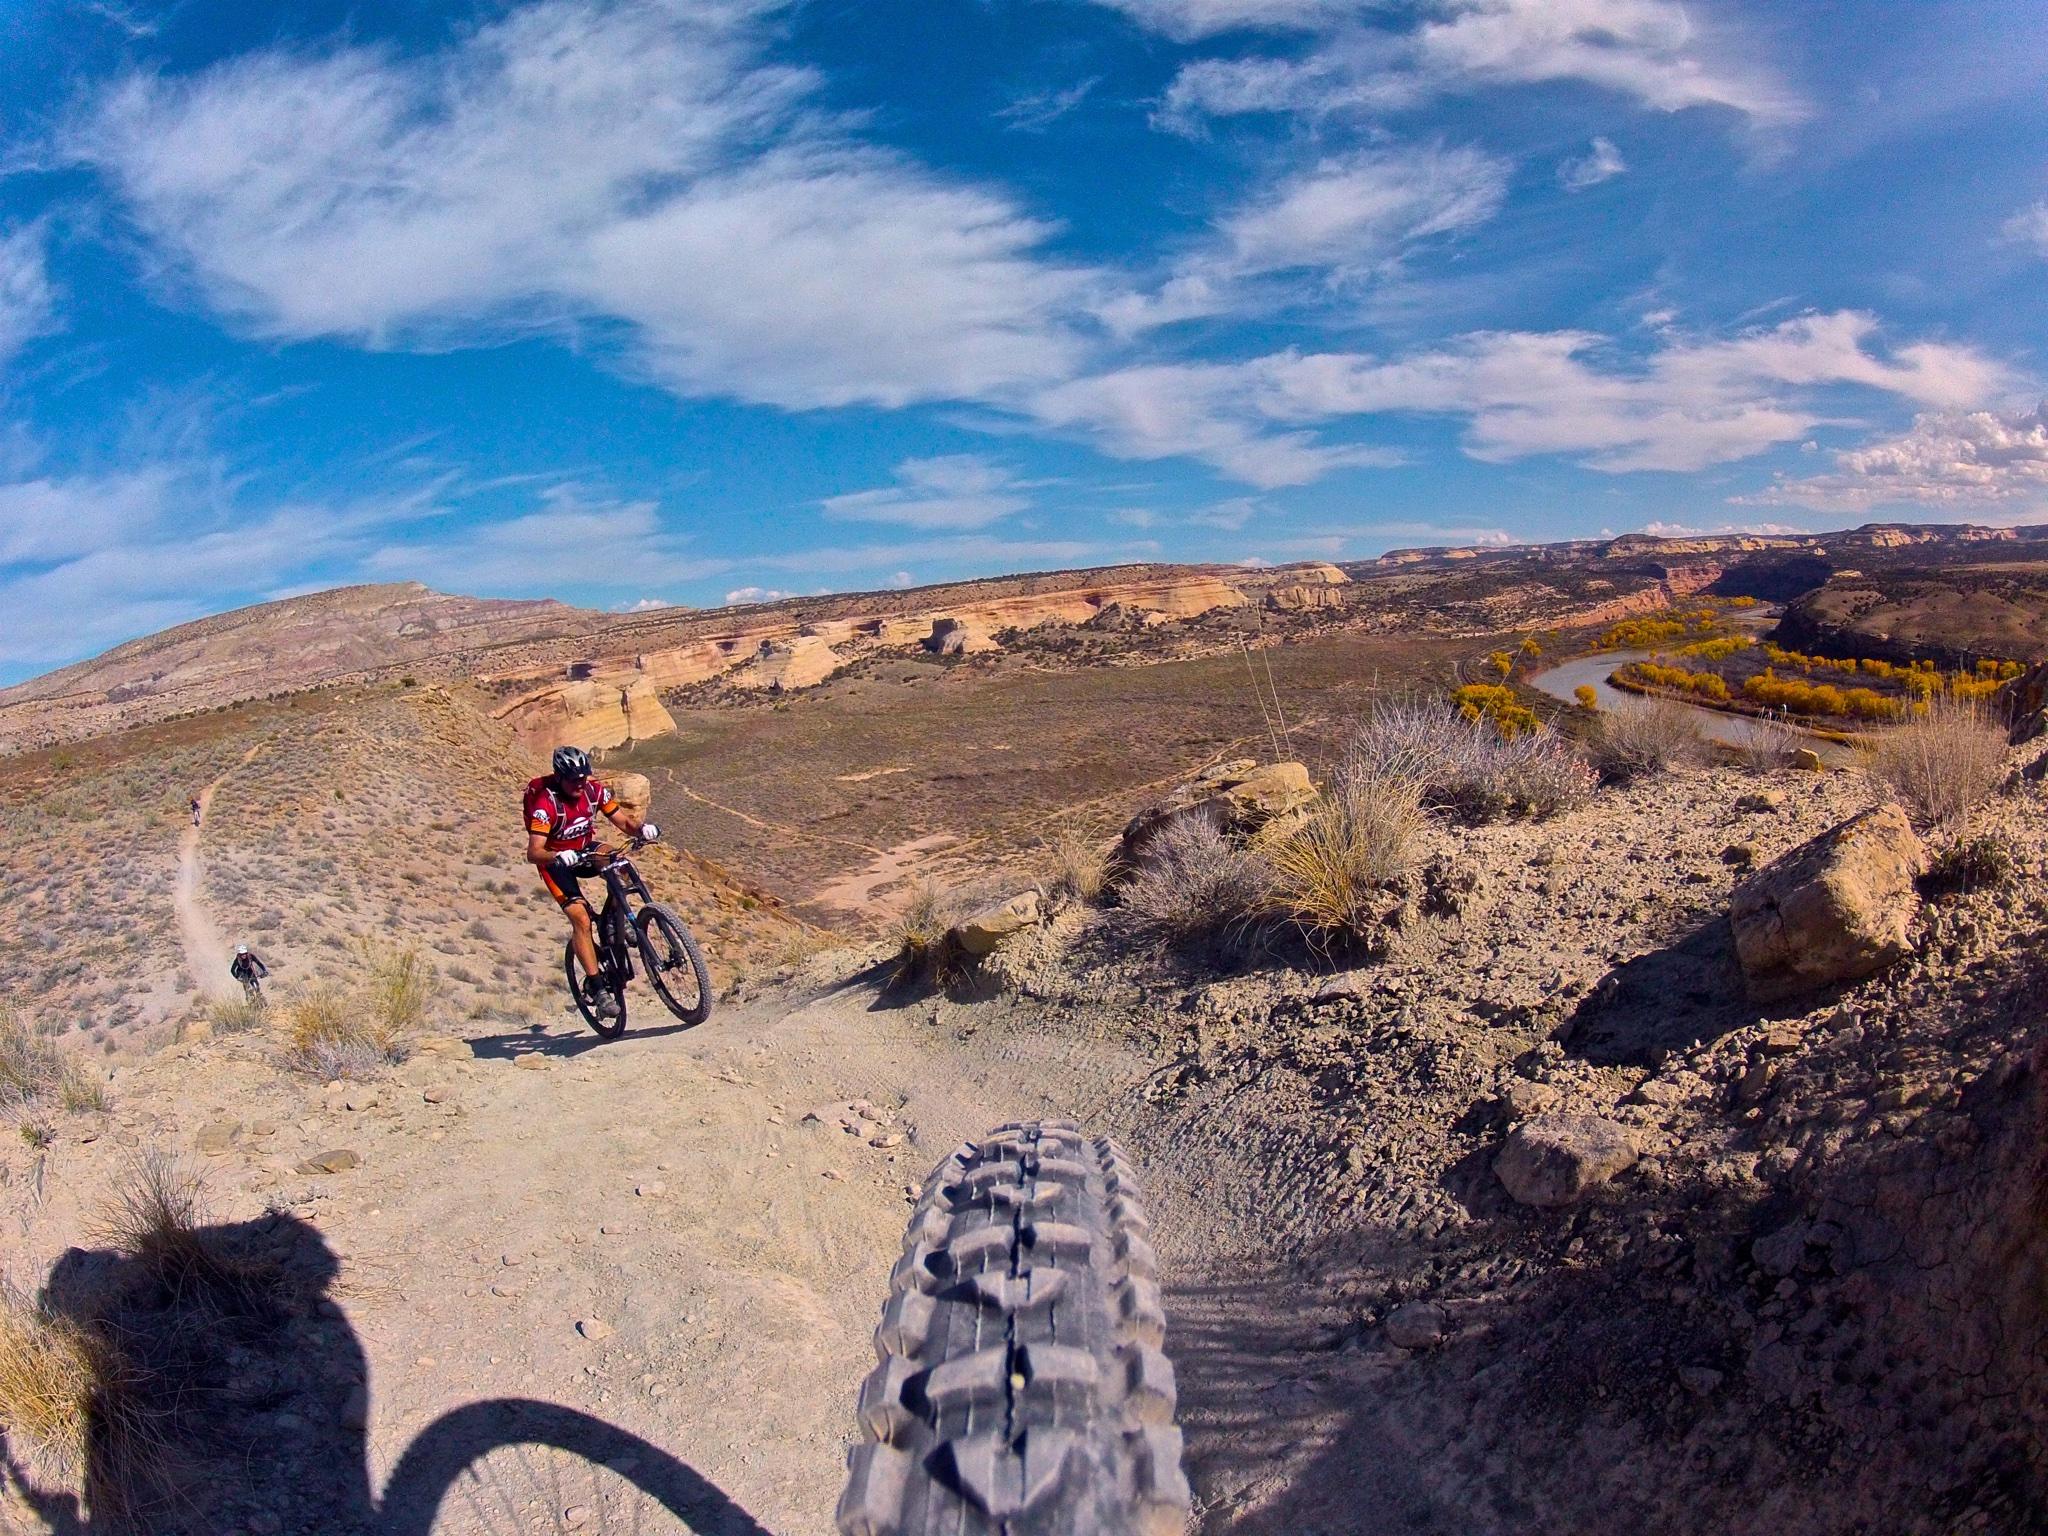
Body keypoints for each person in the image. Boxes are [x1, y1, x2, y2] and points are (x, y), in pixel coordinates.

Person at [524, 746, 657, 1020]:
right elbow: (533, 852)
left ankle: (613, 921)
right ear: (560, 777)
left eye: (584, 778)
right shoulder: (545, 805)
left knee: (620, 863)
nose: (580, 784)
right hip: (556, 863)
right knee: (581, 919)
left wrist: (642, 829)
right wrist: (558, 854)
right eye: (574, 779)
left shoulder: (593, 791)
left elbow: (622, 821)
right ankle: (598, 988)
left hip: (585, 850)